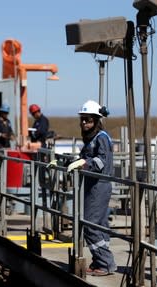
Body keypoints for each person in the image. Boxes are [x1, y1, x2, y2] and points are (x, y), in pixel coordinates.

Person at [67, 100, 116, 276]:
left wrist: (84, 164)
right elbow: (84, 157)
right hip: (91, 185)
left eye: (87, 119)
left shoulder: (101, 138)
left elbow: (100, 161)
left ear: (96, 120)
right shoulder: (92, 139)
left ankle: (105, 263)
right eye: (82, 119)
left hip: (98, 185)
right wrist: (66, 161)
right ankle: (99, 261)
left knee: (90, 224)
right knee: (100, 224)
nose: (84, 123)